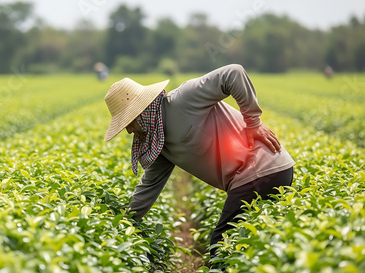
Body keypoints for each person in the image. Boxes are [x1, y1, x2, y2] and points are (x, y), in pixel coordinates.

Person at [103, 64, 295, 259]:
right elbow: (149, 187)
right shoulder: (157, 141)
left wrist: (253, 122)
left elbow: (233, 73)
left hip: (260, 168)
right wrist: (122, 225)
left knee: (220, 246)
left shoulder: (184, 99)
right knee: (250, 243)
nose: (128, 130)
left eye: (128, 123)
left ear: (140, 113)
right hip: (262, 174)